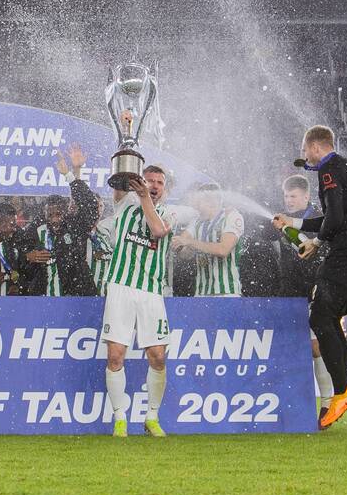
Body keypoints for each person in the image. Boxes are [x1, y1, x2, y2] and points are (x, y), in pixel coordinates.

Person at [272, 125, 347, 430]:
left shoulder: (328, 169)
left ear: (315, 147)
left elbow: (336, 217)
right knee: (328, 316)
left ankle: (342, 391)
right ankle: (343, 390)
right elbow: (334, 216)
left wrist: (316, 242)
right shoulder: (344, 166)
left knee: (319, 317)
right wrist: (296, 221)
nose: (305, 156)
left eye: (305, 151)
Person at [103, 166, 176, 438]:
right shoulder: (123, 204)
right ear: (139, 181)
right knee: (115, 356)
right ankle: (120, 418)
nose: (155, 186)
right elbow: (122, 168)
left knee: (157, 357)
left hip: (151, 291)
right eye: (150, 181)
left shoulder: (170, 213)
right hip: (120, 287)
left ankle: (152, 417)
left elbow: (157, 230)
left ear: (165, 189)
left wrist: (145, 196)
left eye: (160, 182)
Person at [278, 174, 333, 418]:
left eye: (293, 196)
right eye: (286, 196)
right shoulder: (285, 220)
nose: (289, 201)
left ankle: (328, 403)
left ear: (306, 196)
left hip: (314, 288)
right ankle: (295, 402)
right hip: (291, 290)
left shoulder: (315, 220)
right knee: (293, 346)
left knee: (314, 346)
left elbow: (322, 253)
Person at [24, 146, 101, 296]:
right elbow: (19, 250)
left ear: (66, 212)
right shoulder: (37, 230)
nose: (54, 219)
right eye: (50, 215)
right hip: (45, 301)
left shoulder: (75, 226)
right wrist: (27, 256)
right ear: (44, 214)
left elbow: (90, 206)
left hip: (78, 298)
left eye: (58, 214)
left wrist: (69, 175)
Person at [172, 183, 244, 297]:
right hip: (201, 293)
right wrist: (179, 247)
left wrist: (190, 242)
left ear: (210, 202)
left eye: (198, 201)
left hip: (226, 293)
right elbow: (185, 253)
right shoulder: (196, 222)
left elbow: (223, 250)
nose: (195, 205)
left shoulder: (231, 216)